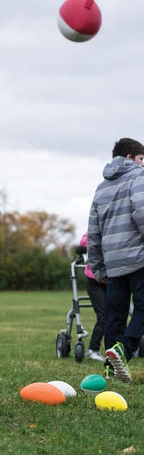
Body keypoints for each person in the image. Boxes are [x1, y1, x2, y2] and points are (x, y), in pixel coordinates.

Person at [87, 137, 144, 382]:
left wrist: (98, 268)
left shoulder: (101, 188)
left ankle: (111, 369)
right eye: (142, 159)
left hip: (113, 263)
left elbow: (93, 231)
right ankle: (124, 347)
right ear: (130, 158)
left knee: (115, 315)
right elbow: (142, 212)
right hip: (139, 258)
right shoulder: (138, 178)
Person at [77, 233, 106, 361]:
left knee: (117, 314)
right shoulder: (94, 231)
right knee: (104, 315)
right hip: (95, 281)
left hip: (113, 279)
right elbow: (83, 242)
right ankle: (93, 349)